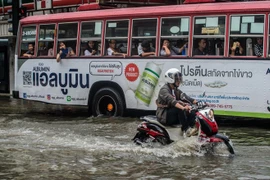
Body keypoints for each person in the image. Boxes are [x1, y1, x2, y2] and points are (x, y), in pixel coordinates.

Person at [156, 68, 198, 136]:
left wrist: (196, 102)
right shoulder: (164, 90)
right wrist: (183, 108)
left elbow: (185, 97)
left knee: (192, 110)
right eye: (177, 79)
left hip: (172, 114)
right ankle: (186, 130)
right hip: (164, 115)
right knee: (179, 109)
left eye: (179, 79)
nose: (179, 81)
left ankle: (191, 129)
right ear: (171, 79)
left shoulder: (175, 90)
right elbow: (173, 101)